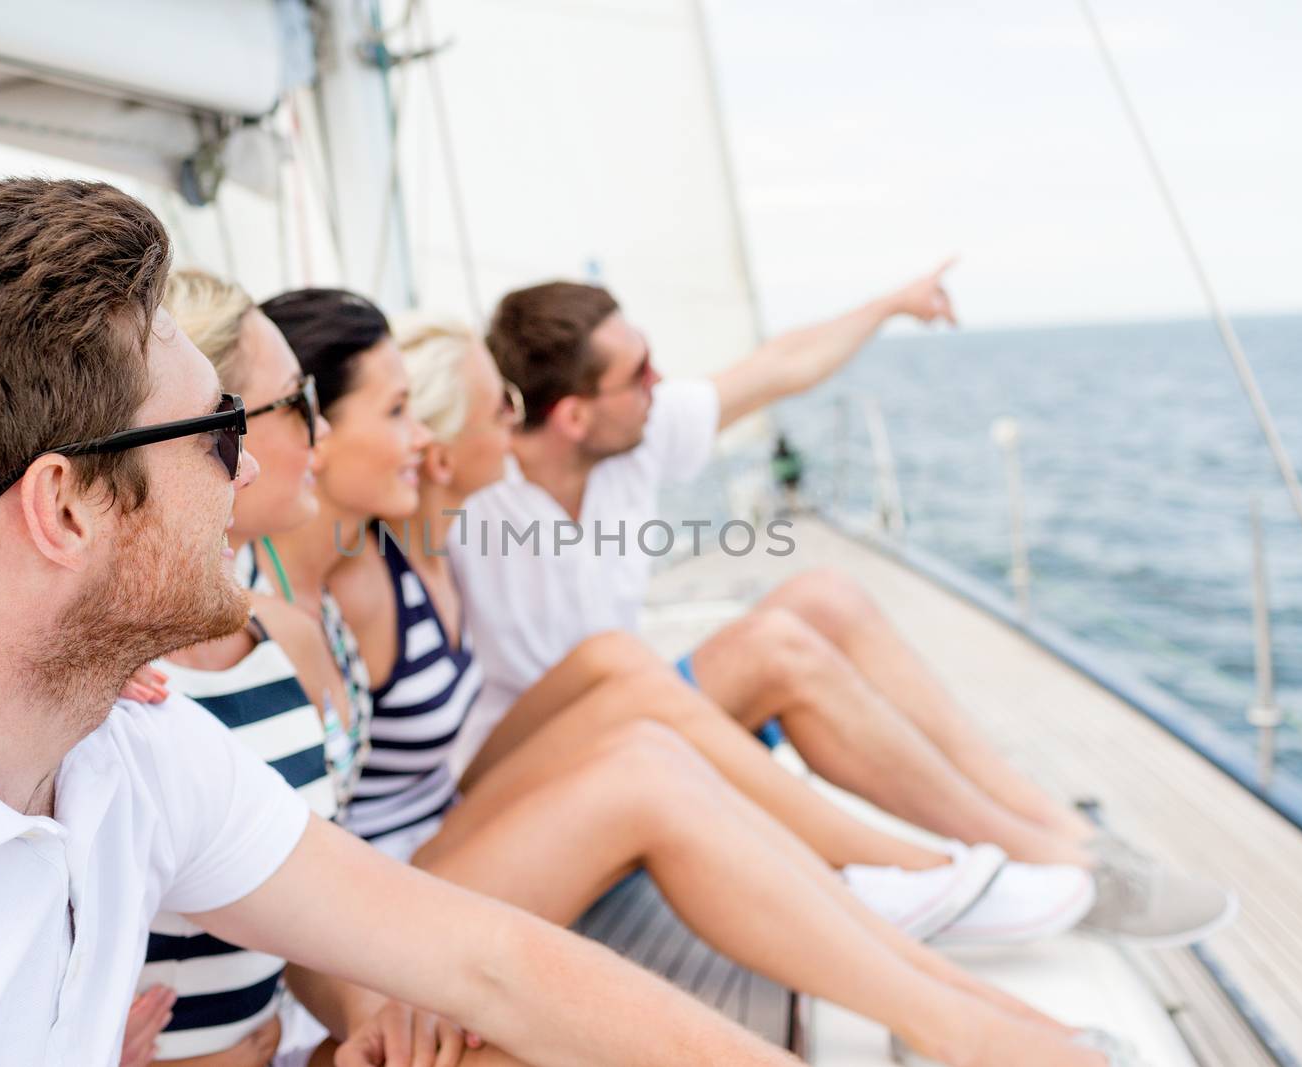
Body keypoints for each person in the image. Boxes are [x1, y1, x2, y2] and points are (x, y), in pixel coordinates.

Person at [0, 177, 806, 1067]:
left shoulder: (120, 744)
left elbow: (492, 963)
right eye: (217, 430)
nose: (249, 462)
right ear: (63, 507)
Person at [238, 285, 1148, 1067]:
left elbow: (779, 366)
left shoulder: (377, 551)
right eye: (398, 414)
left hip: (421, 847)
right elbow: (279, 868)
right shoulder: (333, 579)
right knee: (642, 760)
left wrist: (889, 303)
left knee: (631, 684)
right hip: (386, 899)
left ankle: (953, 941)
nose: (499, 432)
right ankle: (943, 959)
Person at [449, 274, 1235, 946]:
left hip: (628, 707)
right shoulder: (467, 497)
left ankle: (1056, 827)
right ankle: (1033, 861)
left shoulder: (634, 436)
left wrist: (890, 304)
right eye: (641, 372)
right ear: (573, 416)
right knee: (769, 650)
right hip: (525, 764)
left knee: (824, 596)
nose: (663, 382)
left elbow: (779, 366)